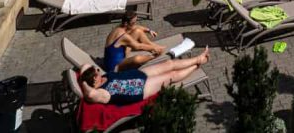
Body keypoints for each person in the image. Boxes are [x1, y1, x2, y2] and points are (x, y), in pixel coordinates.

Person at [79, 50, 211, 105]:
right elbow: (90, 94)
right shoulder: (101, 93)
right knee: (171, 75)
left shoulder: (101, 78)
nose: (98, 70)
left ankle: (198, 58)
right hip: (140, 89)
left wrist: (86, 77)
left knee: (169, 64)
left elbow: (84, 65)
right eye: (96, 72)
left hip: (138, 75)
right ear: (94, 81)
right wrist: (84, 83)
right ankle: (197, 65)